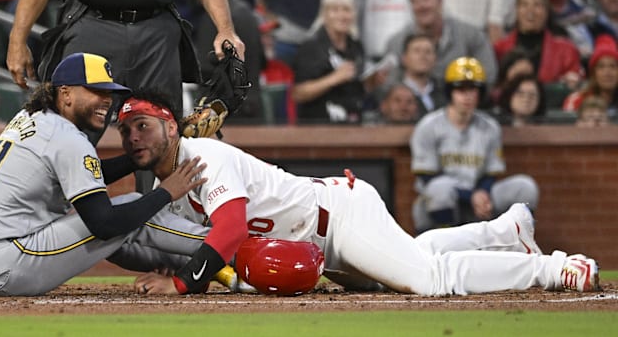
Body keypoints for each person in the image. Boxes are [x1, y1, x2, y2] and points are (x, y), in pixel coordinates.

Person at [115, 89, 599, 296]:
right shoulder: (171, 183)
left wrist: (181, 282)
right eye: (126, 131)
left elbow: (231, 229)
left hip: (337, 218)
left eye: (143, 125)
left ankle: (554, 268)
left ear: (172, 127)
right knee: (409, 258)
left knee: (429, 280)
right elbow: (221, 247)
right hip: (319, 241)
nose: (134, 137)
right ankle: (504, 230)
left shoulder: (206, 157)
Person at [0, 52, 212, 296]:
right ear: (66, 93)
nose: (107, 100)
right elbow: (104, 224)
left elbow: (83, 174)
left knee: (124, 227)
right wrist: (165, 192)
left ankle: (196, 265)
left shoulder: (32, 117)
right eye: (97, 91)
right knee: (131, 209)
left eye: (109, 93)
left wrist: (143, 156)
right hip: (10, 263)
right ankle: (223, 249)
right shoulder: (67, 138)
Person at [5, 0, 244, 116]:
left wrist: (226, 29)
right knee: (73, 133)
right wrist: (17, 40)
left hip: (157, 31)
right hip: (90, 24)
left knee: (162, 137)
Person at [410, 57, 540, 233]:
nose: (467, 95)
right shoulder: (428, 125)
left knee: (525, 187)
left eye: (473, 89)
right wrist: (471, 196)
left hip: (479, 195)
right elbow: (427, 177)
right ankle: (446, 242)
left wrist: (482, 194)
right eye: (460, 89)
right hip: (442, 201)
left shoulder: (490, 126)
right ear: (450, 92)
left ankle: (518, 245)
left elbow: (490, 172)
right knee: (439, 189)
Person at [383, 0, 498, 88]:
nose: (421, 6)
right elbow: (391, 86)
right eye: (415, 2)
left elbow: (488, 75)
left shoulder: (471, 35)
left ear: (440, 1)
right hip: (415, 105)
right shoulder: (397, 43)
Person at [290, 0, 367, 124]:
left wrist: (371, 83)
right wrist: (334, 78)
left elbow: (355, 88)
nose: (342, 16)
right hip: (318, 127)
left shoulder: (356, 47)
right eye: (335, 10)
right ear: (324, 14)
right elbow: (298, 94)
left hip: (353, 123)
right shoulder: (311, 47)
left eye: (347, 10)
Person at [494, 0, 584, 91]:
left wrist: (572, 82)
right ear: (516, 10)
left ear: (546, 11)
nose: (530, 11)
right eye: (524, 4)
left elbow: (577, 84)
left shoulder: (567, 50)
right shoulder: (499, 49)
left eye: (537, 5)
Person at [563, 34, 618, 116]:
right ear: (593, 73)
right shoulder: (576, 101)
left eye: (613, 66)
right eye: (601, 67)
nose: (607, 72)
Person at [397, 33, 445, 117]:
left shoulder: (445, 92)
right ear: (404, 58)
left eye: (428, 51)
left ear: (435, 59)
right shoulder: (393, 93)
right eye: (417, 51)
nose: (423, 56)